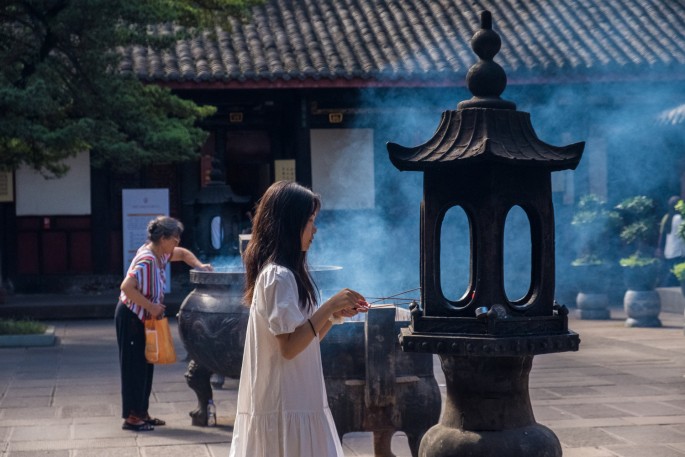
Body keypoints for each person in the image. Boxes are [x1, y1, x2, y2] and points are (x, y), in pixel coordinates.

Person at [229, 181, 369, 457]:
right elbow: (289, 347)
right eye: (310, 221)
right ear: (290, 224)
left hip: (299, 397)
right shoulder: (277, 277)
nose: (314, 230)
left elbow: (305, 339)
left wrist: (332, 316)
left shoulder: (286, 274)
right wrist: (329, 305)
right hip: (285, 402)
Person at [116, 216, 212, 431]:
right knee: (134, 367)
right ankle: (132, 418)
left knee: (146, 364)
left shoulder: (161, 253)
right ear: (162, 238)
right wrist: (151, 307)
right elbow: (126, 287)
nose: (177, 242)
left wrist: (200, 265)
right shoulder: (148, 259)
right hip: (131, 316)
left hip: (142, 317)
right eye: (174, 238)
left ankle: (142, 412)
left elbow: (185, 254)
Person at [656, 195, 685, 286]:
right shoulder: (679, 219)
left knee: (671, 271)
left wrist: (660, 248)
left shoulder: (666, 217)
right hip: (678, 251)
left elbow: (662, 235)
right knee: (676, 274)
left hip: (669, 251)